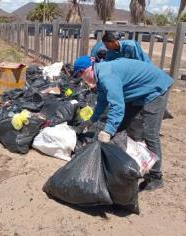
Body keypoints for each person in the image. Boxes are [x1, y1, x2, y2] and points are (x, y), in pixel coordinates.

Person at [73, 55, 173, 191]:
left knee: (150, 133)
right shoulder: (100, 75)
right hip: (136, 91)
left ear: (87, 69)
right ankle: (125, 161)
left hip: (155, 89)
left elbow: (117, 106)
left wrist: (108, 130)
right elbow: (102, 101)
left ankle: (156, 176)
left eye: (81, 74)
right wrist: (92, 120)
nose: (82, 78)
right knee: (122, 127)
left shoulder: (106, 76)